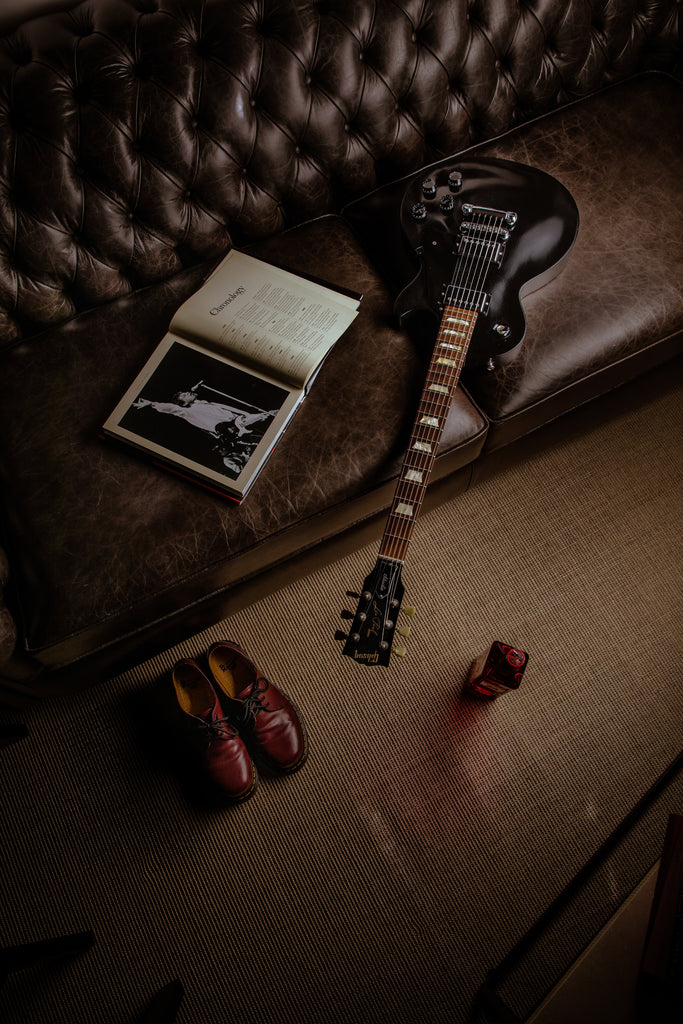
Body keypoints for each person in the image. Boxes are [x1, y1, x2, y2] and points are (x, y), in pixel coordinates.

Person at [133, 391, 277, 439]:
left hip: (240, 419)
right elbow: (170, 408)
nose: (187, 392)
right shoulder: (186, 411)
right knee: (269, 416)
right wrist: (152, 404)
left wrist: (247, 414)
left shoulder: (201, 403)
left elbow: (226, 408)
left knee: (270, 416)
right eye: (184, 394)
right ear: (182, 403)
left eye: (185, 391)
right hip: (233, 427)